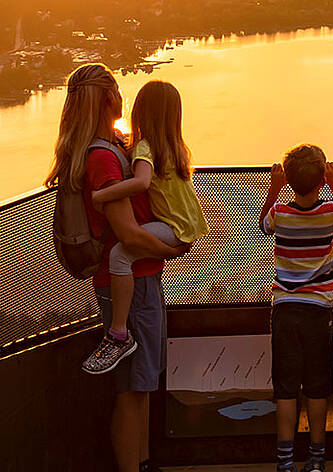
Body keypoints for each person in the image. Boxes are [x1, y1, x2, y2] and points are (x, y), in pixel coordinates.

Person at [47, 63, 185, 472]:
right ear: (111, 99)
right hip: (130, 281)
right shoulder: (104, 159)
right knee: (130, 391)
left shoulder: (101, 148)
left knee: (140, 387)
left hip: (135, 280)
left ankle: (143, 463)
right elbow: (125, 232)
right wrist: (170, 247)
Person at [83, 80, 210, 375]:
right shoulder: (175, 147)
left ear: (140, 112)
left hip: (171, 227)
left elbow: (140, 182)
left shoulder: (144, 147)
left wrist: (101, 195)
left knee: (119, 256)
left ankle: (118, 332)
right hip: (185, 225)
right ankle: (119, 332)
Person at [259, 145, 333, 472]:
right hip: (319, 311)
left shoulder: (281, 213)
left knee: (285, 389)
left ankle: (285, 463)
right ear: (321, 180)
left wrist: (274, 187)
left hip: (285, 308)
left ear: (288, 179)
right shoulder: (330, 211)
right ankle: (316, 460)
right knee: (317, 388)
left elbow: (263, 225)